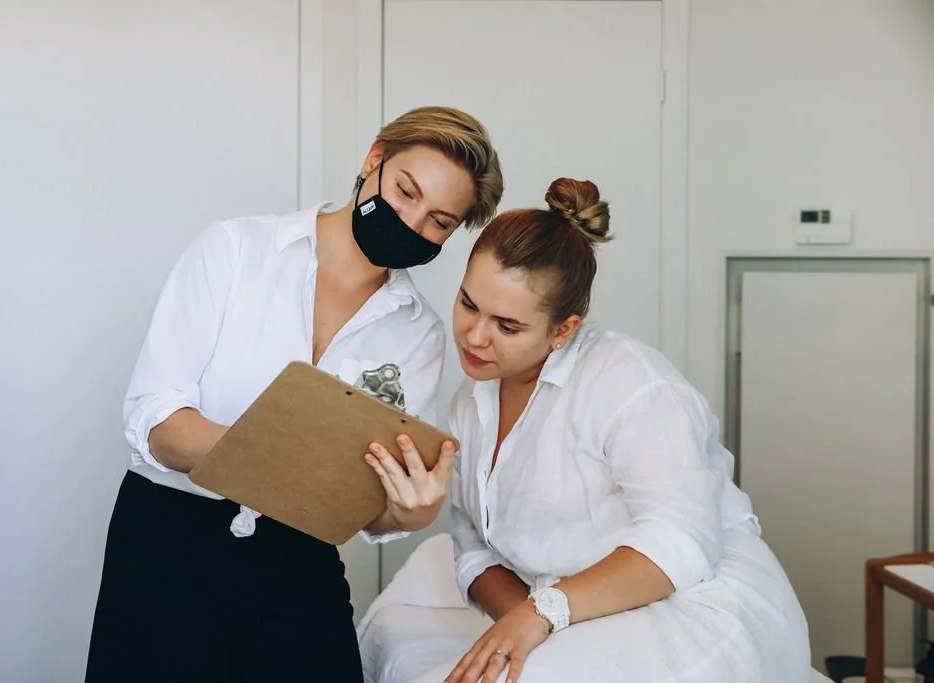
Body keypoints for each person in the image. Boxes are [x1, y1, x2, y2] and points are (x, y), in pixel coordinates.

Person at [84, 106, 504, 683]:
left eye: (439, 221)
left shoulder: (418, 332)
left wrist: (410, 510)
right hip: (167, 541)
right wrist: (283, 459)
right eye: (405, 192)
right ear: (374, 160)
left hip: (299, 556)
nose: (410, 222)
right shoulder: (235, 251)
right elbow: (156, 421)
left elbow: (373, 510)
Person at [403, 178, 812, 682]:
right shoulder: (471, 403)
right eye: (468, 304)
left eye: (507, 326)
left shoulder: (631, 382)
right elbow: (473, 545)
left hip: (697, 606)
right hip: (580, 612)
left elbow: (680, 542)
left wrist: (543, 613)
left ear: (563, 330)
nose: (474, 336)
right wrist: (526, 621)